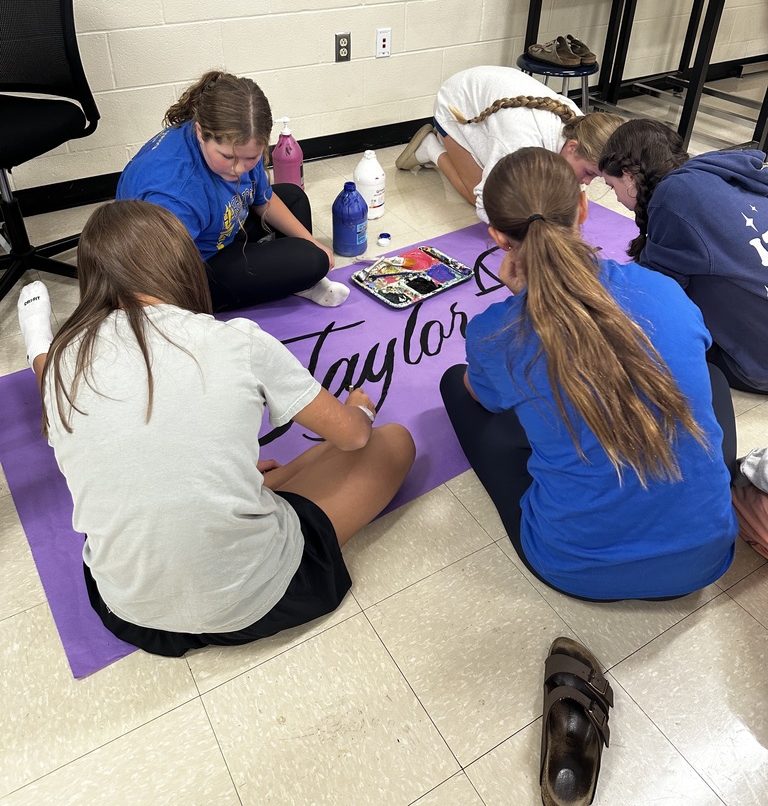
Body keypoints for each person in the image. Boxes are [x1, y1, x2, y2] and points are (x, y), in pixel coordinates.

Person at [16, 200, 415, 657]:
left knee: (177, 473)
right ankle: (262, 490)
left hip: (127, 610)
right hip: (258, 598)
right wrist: (359, 410)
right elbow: (354, 438)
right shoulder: (237, 340)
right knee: (393, 441)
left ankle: (35, 341)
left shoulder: (64, 364)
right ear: (181, 264)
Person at [440, 146, 738, 601]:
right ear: (583, 206)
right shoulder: (661, 288)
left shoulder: (494, 333)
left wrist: (523, 300)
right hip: (706, 561)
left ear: (499, 238)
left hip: (577, 569)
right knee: (710, 380)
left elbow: (481, 397)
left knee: (461, 389)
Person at [117, 70, 349, 312]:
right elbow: (154, 280)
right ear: (200, 133)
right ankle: (289, 278)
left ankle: (290, 277)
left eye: (251, 158)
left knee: (294, 197)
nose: (239, 169)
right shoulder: (175, 194)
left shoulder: (238, 137)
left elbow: (263, 199)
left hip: (212, 232)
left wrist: (311, 241)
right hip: (184, 269)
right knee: (312, 261)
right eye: (227, 157)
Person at [599, 117, 768, 394]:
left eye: (611, 185)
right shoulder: (717, 173)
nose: (615, 197)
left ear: (629, 176)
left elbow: (654, 298)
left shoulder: (673, 197)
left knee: (657, 332)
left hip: (758, 366)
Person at [395, 65, 622, 222]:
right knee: (483, 196)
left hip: (493, 101)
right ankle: (430, 147)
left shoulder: (581, 126)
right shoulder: (520, 141)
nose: (588, 183)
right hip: (455, 105)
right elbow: (486, 203)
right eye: (589, 173)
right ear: (572, 147)